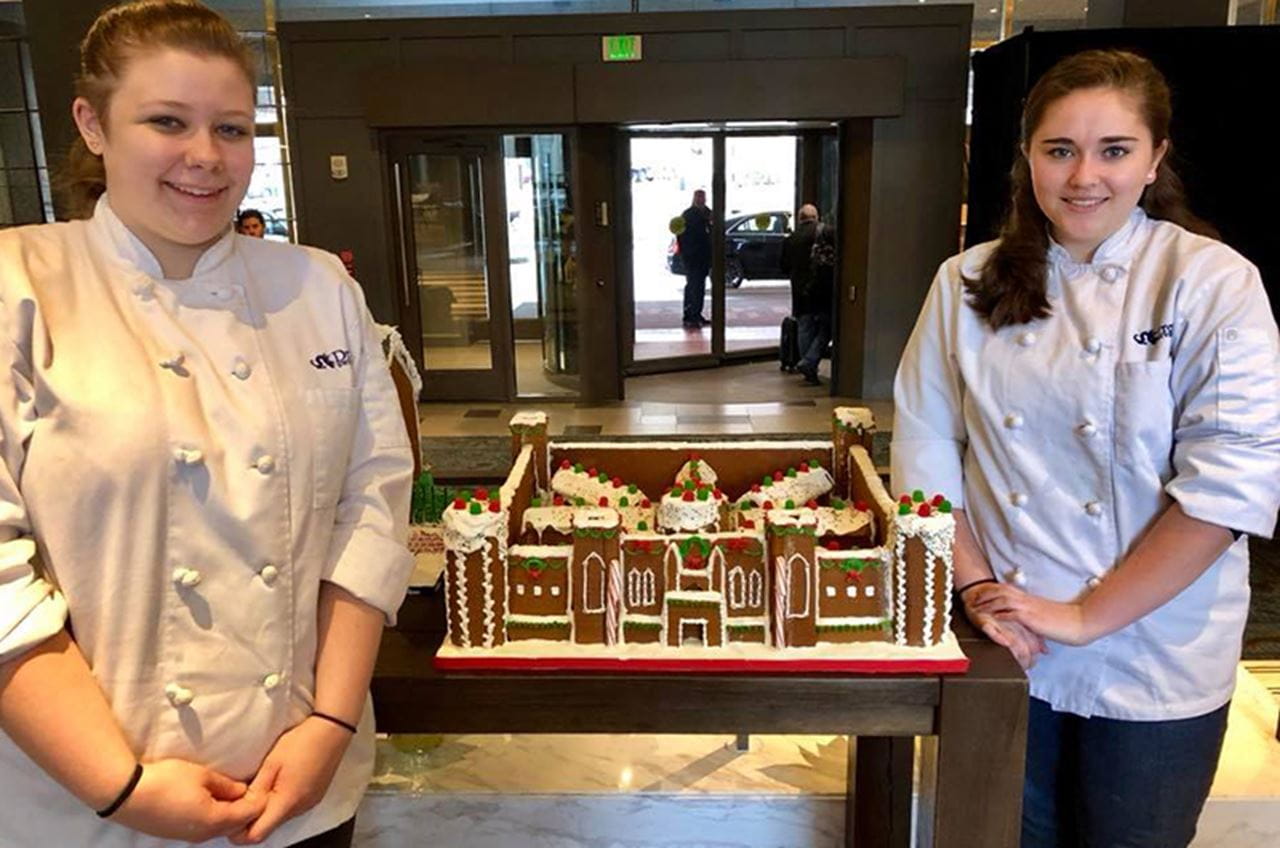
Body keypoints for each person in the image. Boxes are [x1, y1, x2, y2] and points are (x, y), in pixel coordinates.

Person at [0, 3, 414, 847]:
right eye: (167, 121)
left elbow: (371, 509)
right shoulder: (21, 283)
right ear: (92, 124)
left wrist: (329, 727)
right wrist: (120, 788)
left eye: (231, 128)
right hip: (85, 803)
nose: (205, 156)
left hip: (299, 790)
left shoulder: (317, 286)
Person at [892, 49, 1280, 848]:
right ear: (1027, 156)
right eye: (1060, 150)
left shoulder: (1210, 281)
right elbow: (926, 448)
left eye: (1114, 150)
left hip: (1155, 650)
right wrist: (977, 588)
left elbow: (1228, 486)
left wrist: (1086, 615)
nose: (1083, 177)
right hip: (1008, 639)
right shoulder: (964, 281)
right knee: (1002, 835)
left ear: (1155, 158)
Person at [780, 204, 830, 385]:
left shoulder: (791, 239)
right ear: (816, 217)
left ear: (800, 218)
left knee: (804, 327)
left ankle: (809, 369)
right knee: (827, 327)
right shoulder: (824, 233)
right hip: (821, 288)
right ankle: (810, 361)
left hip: (799, 290)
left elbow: (784, 266)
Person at [677, 188, 712, 329]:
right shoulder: (688, 215)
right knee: (693, 286)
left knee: (700, 286)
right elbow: (681, 236)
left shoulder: (708, 213)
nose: (701, 200)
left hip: (704, 256)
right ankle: (690, 315)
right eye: (698, 197)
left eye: (702, 197)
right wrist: (686, 253)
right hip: (692, 257)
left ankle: (697, 314)